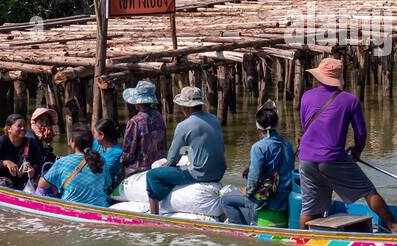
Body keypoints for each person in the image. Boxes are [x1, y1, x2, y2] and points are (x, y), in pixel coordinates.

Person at [297, 56, 397, 233]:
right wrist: (358, 150)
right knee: (368, 190)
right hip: (332, 158)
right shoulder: (349, 100)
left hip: (306, 158)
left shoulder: (306, 96)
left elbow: (304, 125)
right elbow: (360, 133)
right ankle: (395, 226)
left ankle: (302, 239)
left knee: (310, 207)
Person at [146, 86, 226, 214]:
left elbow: (173, 158)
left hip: (200, 174)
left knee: (152, 175)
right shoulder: (214, 119)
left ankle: (154, 214)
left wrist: (166, 169)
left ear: (186, 107)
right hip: (219, 173)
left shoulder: (183, 126)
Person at [222, 101, 295, 227]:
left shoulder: (258, 147)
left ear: (258, 126)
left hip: (267, 201)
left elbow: (254, 178)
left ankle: (241, 230)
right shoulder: (287, 144)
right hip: (285, 198)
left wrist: (248, 192)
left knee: (226, 200)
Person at [37, 129, 110, 207]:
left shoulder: (62, 162)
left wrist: (53, 181)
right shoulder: (101, 160)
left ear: (72, 142)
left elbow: (42, 185)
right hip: (99, 207)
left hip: (71, 208)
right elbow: (107, 184)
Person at [0, 113, 51, 188]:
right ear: (9, 129)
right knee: (4, 184)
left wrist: (33, 170)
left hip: (21, 181)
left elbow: (39, 163)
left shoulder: (31, 142)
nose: (23, 128)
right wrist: (5, 163)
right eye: (19, 126)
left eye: (24, 126)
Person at [120, 80, 166, 177]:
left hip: (139, 168)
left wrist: (120, 161)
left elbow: (128, 152)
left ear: (137, 102)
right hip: (159, 164)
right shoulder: (159, 116)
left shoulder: (135, 122)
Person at [92, 118, 124, 190]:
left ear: (102, 135)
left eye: (94, 133)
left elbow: (103, 173)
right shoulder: (97, 143)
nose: (93, 135)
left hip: (107, 185)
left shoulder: (117, 153)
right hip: (94, 180)